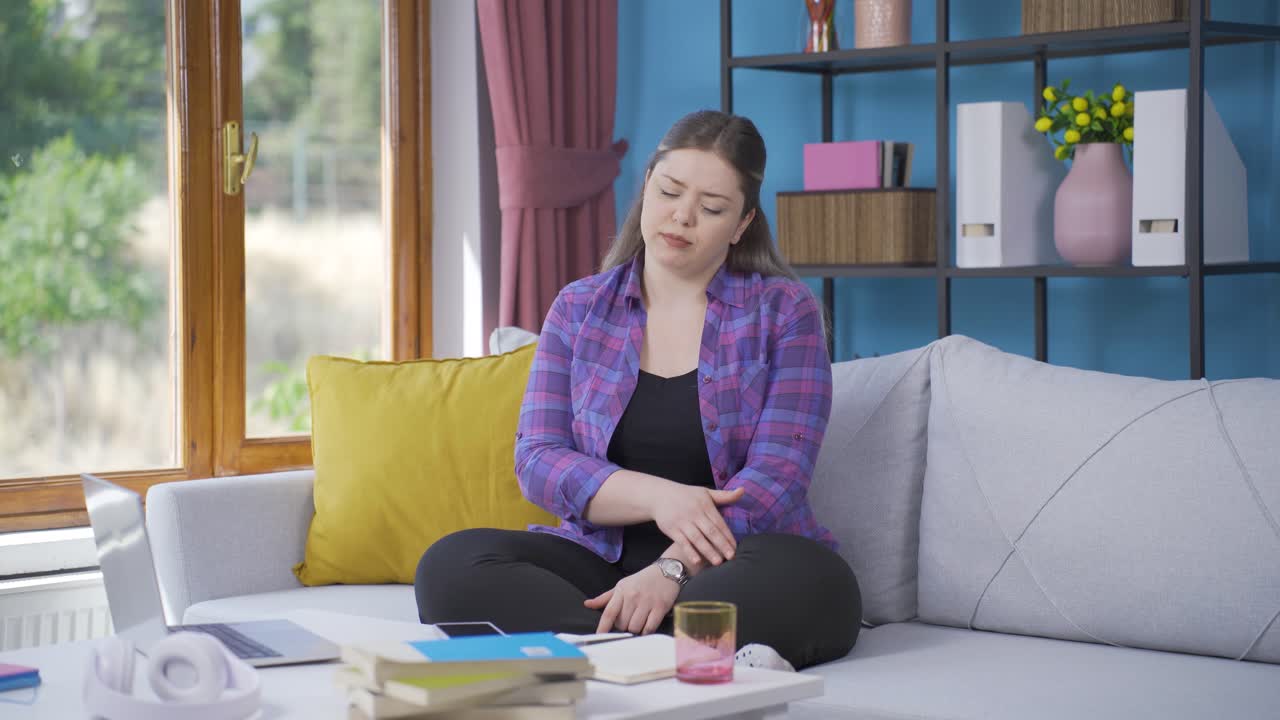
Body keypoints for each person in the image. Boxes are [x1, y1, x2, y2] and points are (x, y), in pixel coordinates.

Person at [416, 109, 861, 671]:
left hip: (734, 562)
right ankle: (670, 652)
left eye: (712, 207)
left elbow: (778, 478)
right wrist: (662, 498)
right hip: (599, 559)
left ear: (742, 223)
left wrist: (670, 570)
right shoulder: (579, 308)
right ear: (646, 184)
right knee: (450, 567)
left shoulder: (784, 312)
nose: (682, 217)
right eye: (670, 191)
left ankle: (602, 649)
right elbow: (537, 460)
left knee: (813, 587)